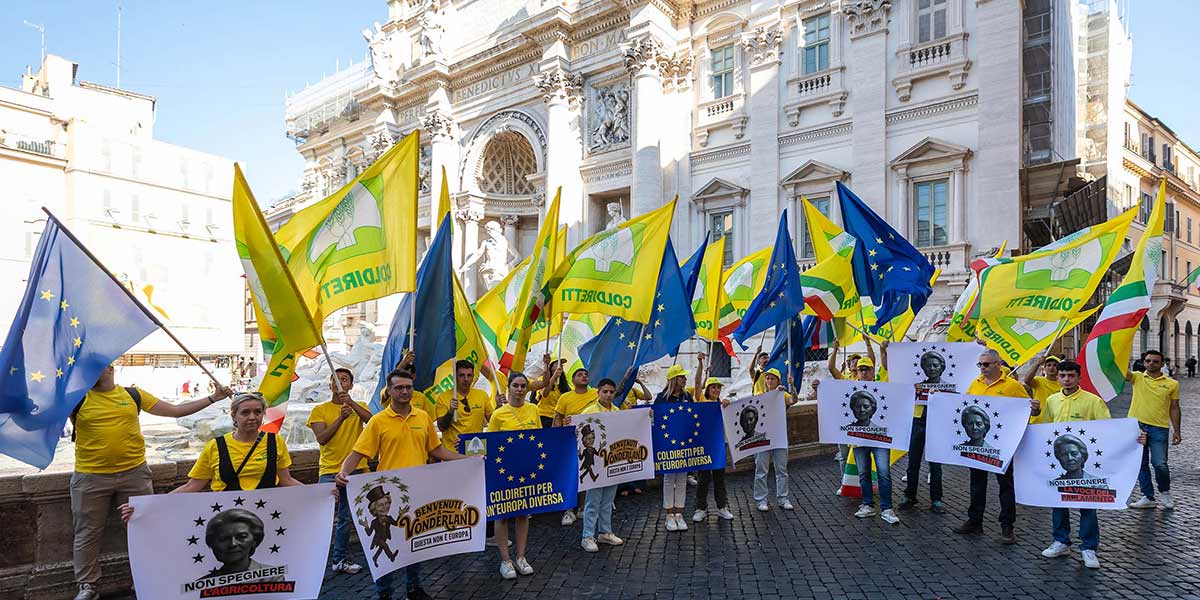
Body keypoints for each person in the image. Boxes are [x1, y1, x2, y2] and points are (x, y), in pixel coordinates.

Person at [72, 365, 231, 600]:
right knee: (87, 532)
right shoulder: (75, 398)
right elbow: (41, 419)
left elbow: (175, 411)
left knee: (144, 528)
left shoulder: (133, 394)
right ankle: (88, 585)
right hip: (90, 475)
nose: (91, 372)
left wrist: (213, 398)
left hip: (134, 474)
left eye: (97, 367)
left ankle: (144, 579)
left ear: (110, 368)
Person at [337, 369, 466, 600]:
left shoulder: (423, 417)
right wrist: (343, 472)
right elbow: (358, 453)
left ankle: (413, 588)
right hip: (388, 495)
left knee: (415, 542)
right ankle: (385, 593)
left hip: (417, 490)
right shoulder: (378, 421)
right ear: (389, 390)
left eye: (408, 387)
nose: (405, 391)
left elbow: (436, 450)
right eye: (399, 388)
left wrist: (468, 460)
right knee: (387, 545)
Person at [1033, 360, 1136, 570]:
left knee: (1087, 505)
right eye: (1063, 376)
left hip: (1085, 466)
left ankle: (1089, 547)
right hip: (1060, 465)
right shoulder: (1052, 400)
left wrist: (1134, 437)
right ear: (1057, 377)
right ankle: (1061, 541)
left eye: (1071, 376)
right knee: (1058, 502)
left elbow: (1108, 429)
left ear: (1079, 377)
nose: (1067, 380)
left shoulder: (1093, 401)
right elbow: (1045, 428)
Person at [956, 348, 1034, 545]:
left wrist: (1036, 409)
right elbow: (965, 406)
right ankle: (975, 520)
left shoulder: (1013, 386)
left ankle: (1007, 525)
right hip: (979, 445)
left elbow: (1028, 410)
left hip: (1003, 444)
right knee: (976, 483)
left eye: (986, 364)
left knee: (1005, 485)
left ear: (998, 364)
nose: (982, 368)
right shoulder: (975, 384)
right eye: (980, 364)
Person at [306, 368, 372, 575]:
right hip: (329, 470)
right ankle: (311, 560)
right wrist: (340, 418)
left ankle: (339, 558)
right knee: (322, 518)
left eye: (344, 379)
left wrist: (351, 405)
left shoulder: (359, 406)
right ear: (330, 385)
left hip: (357, 469)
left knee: (347, 518)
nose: (339, 382)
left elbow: (372, 422)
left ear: (351, 385)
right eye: (335, 379)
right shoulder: (319, 410)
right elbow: (322, 438)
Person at [486, 372, 541, 579]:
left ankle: (521, 556)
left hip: (526, 470)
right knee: (502, 514)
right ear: (508, 387)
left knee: (522, 514)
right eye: (515, 385)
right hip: (505, 471)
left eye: (523, 386)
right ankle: (505, 559)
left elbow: (541, 437)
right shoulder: (498, 414)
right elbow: (489, 443)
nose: (519, 389)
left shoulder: (534, 409)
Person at [1124, 349, 1181, 510]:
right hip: (1136, 427)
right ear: (1144, 362)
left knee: (1160, 463)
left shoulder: (1172, 384)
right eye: (1148, 361)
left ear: (1162, 364)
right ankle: (1148, 497)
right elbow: (1120, 371)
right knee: (1140, 464)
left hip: (1159, 428)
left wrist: (1177, 430)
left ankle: (1165, 492)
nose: (1151, 364)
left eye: (1155, 361)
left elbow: (1174, 408)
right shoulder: (1137, 377)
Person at [575, 378, 626, 552]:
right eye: (605, 391)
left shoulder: (617, 411)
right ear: (598, 392)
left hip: (611, 461)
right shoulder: (589, 411)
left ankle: (605, 531)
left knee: (608, 500)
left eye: (611, 392)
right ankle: (587, 535)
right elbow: (578, 432)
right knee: (593, 500)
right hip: (595, 463)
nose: (608, 395)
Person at [552, 361, 598, 525]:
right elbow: (557, 418)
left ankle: (583, 508)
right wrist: (559, 435)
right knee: (571, 475)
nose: (584, 376)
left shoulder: (596, 393)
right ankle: (569, 509)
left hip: (591, 442)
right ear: (573, 380)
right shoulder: (565, 397)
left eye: (586, 374)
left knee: (586, 474)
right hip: (571, 441)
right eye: (580, 374)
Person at [655, 364, 697, 531]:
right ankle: (669, 514)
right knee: (669, 478)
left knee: (681, 479)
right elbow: (656, 417)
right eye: (682, 376)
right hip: (668, 443)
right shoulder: (662, 398)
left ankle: (679, 513)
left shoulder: (687, 396)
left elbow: (694, 414)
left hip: (684, 442)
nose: (685, 379)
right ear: (674, 379)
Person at [693, 369, 734, 522]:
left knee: (719, 478)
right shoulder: (701, 401)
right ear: (708, 389)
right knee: (703, 479)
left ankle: (722, 507)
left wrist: (728, 404)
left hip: (718, 446)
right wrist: (700, 364)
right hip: (704, 445)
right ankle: (700, 508)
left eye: (718, 387)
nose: (716, 390)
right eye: (713, 387)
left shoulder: (723, 404)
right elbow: (697, 383)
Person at [198, 508, 283, 583]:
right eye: (224, 539)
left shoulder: (272, 577)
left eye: (242, 537)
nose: (233, 544)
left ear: (254, 540)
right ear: (212, 544)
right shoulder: (203, 584)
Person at [753, 368, 795, 512]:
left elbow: (793, 400)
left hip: (778, 437)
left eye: (772, 379)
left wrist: (792, 386)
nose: (769, 381)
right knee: (761, 470)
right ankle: (761, 499)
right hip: (762, 437)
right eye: (768, 378)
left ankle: (783, 498)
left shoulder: (782, 394)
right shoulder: (760, 393)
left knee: (782, 469)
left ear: (778, 381)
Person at [435, 359, 496, 453]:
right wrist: (450, 412)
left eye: (469, 375)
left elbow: (493, 422)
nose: (466, 379)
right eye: (462, 375)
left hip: (475, 451)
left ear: (473, 377)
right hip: (453, 453)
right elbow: (441, 427)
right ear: (455, 377)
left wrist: (499, 407)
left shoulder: (482, 395)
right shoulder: (443, 398)